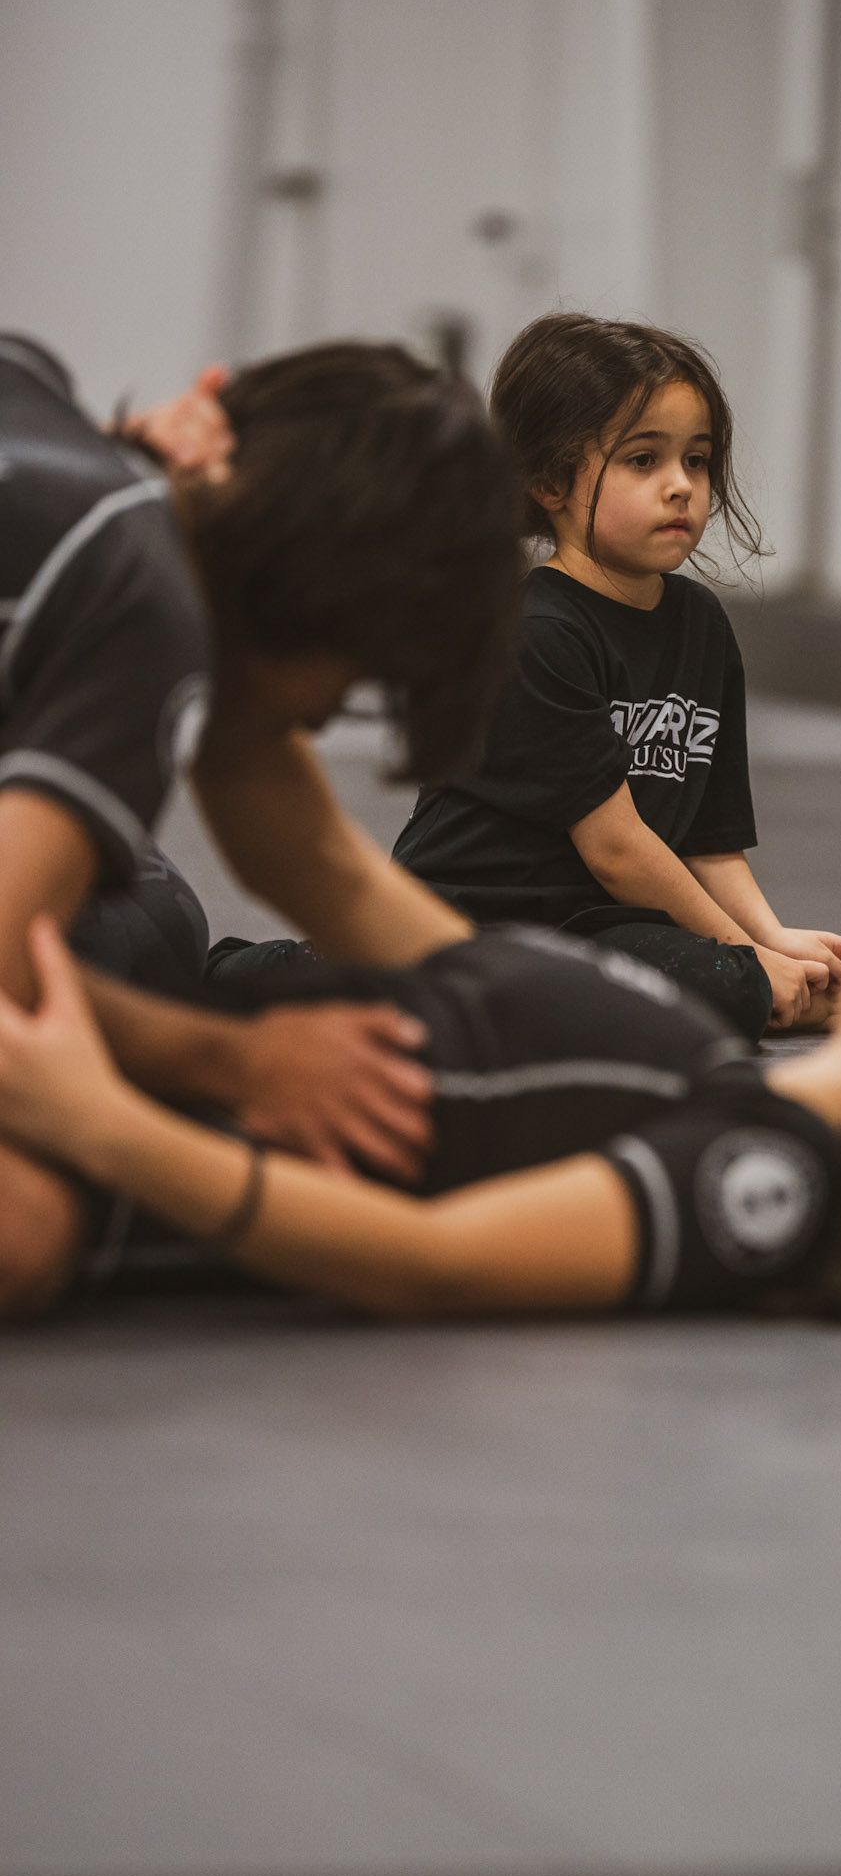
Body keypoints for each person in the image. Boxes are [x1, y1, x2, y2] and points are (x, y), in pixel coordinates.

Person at [0, 915, 841, 1330]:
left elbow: (439, 1263)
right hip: (161, 1048)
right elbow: (377, 911)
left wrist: (100, 1122)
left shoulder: (767, 1177)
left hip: (91, 1154)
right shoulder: (723, 1078)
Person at [0, 335, 522, 1311]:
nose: (320, 722)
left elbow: (312, 854)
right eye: (357, 680)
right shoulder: (144, 599)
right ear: (319, 600)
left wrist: (523, 1019)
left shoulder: (41, 399)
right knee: (26, 1220)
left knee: (147, 916)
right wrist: (237, 1064)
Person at [393, 313, 841, 1042]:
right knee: (719, 982)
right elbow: (616, 849)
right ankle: (285, 970)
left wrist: (769, 939)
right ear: (550, 480)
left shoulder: (701, 625)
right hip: (475, 922)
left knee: (732, 978)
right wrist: (747, 961)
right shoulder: (538, 632)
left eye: (697, 461)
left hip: (604, 926)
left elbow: (708, 839)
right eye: (643, 460)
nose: (681, 487)